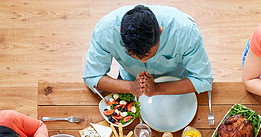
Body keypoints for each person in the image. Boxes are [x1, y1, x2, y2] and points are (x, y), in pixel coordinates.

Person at [83, 5, 213, 97]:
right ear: (120, 31)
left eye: (149, 54)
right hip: (129, 81)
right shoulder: (104, 31)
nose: (143, 61)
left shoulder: (186, 33)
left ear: (160, 32)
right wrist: (130, 87)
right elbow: (92, 77)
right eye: (133, 55)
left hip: (176, 83)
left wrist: (157, 89)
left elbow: (203, 80)